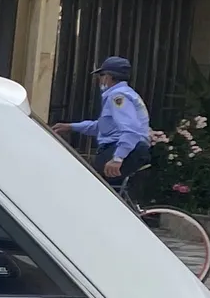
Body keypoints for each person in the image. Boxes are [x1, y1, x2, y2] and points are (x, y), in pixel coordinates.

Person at [51, 55, 153, 197]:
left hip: (123, 149)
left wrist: (118, 158)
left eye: (101, 75)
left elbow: (131, 129)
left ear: (109, 77)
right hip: (127, 148)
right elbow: (104, 127)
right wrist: (71, 127)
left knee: (93, 190)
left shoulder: (118, 97)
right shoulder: (123, 94)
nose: (99, 79)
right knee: (101, 192)